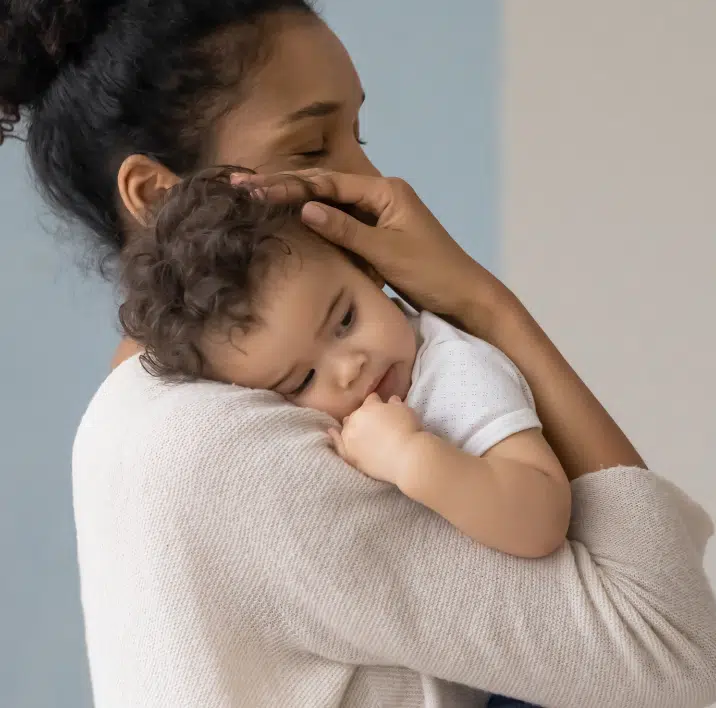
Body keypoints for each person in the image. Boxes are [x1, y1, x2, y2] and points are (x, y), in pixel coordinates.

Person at [0, 0, 716, 708]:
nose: (374, 180)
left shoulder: (162, 417)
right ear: (157, 196)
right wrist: (484, 304)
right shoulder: (226, 451)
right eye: (313, 145)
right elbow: (672, 649)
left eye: (359, 135)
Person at [118, 173, 572, 559]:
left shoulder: (455, 373)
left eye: (346, 320)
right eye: (303, 380)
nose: (349, 368)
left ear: (369, 271)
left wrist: (412, 459)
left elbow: (542, 516)